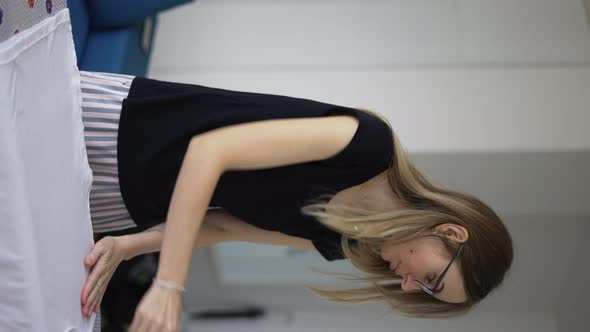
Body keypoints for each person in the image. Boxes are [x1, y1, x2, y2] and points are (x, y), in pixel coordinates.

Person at [77, 70, 513, 332]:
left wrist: (127, 246)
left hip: (127, 200)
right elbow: (209, 152)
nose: (408, 285)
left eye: (423, 293)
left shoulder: (347, 244)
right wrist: (168, 284)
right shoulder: (366, 145)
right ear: (451, 232)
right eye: (431, 279)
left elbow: (224, 226)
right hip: (125, 130)